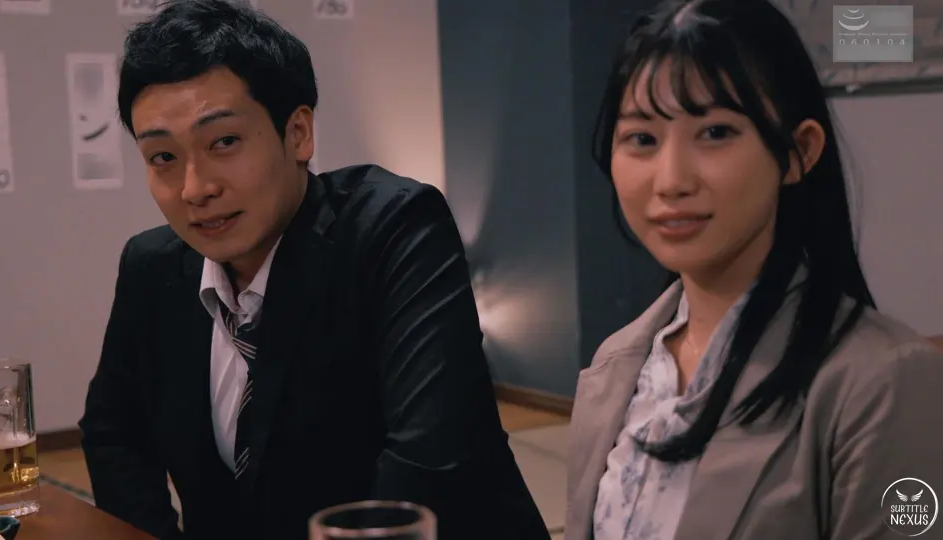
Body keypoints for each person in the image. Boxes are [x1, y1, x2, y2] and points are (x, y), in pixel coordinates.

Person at [78, 2, 550, 539]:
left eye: (224, 142)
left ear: (299, 133)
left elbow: (427, 459)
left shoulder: (393, 228)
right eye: (163, 157)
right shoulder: (152, 266)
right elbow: (114, 433)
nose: (195, 188)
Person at [565, 1, 943, 539]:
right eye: (642, 139)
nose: (671, 181)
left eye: (716, 132)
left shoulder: (883, 381)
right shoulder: (616, 366)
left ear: (797, 152)